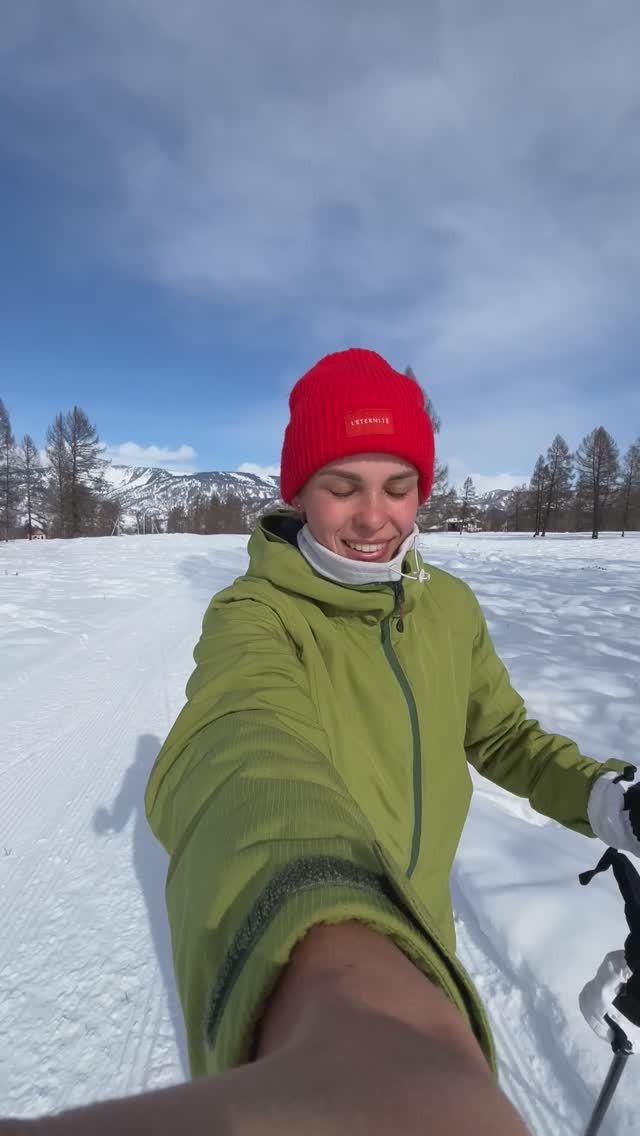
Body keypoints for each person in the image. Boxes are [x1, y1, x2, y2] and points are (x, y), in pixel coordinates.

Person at [3, 348, 639, 1135]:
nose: (374, 517)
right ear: (298, 492)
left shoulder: (449, 607)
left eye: (398, 486)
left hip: (426, 931)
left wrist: (608, 798)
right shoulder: (256, 614)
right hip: (314, 953)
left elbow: (503, 735)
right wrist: (343, 986)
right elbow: (241, 738)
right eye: (342, 487)